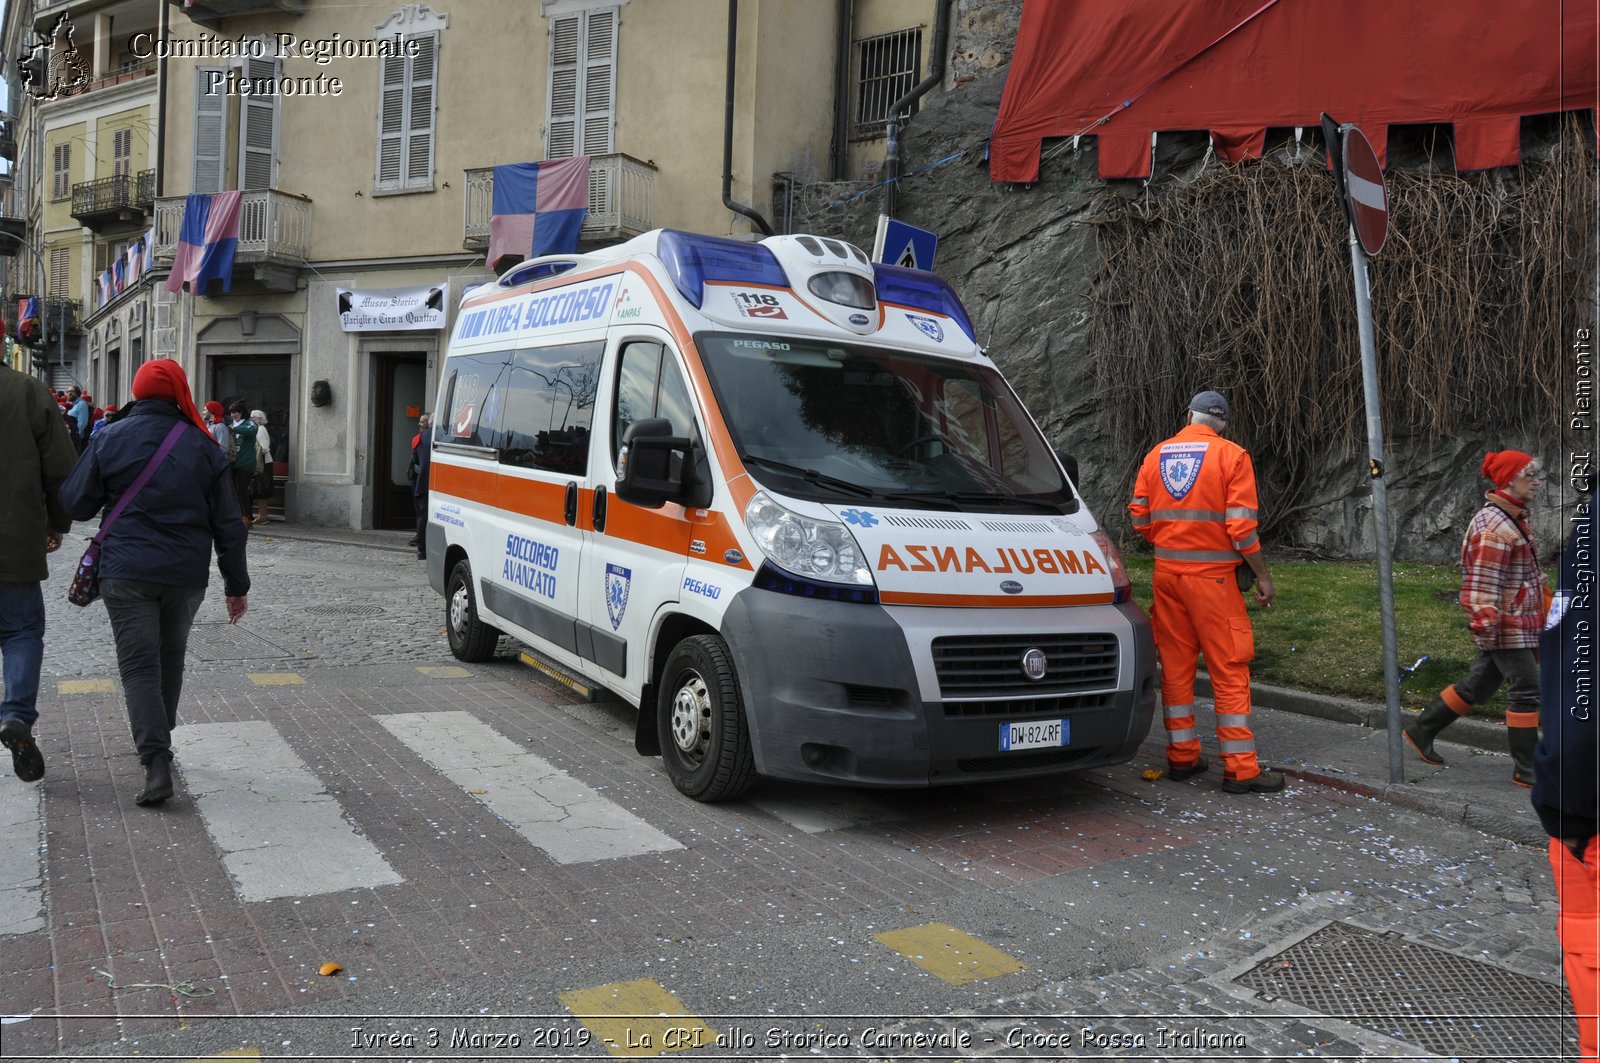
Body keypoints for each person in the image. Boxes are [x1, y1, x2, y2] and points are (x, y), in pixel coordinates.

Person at [59, 360, 250, 807]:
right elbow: (229, 524)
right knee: (170, 656)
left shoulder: (109, 436)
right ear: (178, 391)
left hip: (126, 570)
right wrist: (235, 584)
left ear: (138, 392)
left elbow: (76, 504)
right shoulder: (203, 446)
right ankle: (159, 742)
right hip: (185, 574)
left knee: (139, 667)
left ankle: (155, 758)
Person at [1129, 389, 1283, 793]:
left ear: (1190, 415)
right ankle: (1240, 769)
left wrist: (1174, 542)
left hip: (1168, 577)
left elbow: (1140, 518)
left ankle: (1182, 757)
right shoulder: (1233, 456)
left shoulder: (1155, 455)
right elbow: (1242, 529)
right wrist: (1262, 575)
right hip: (1213, 581)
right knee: (1229, 667)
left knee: (1176, 668)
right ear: (1223, 424)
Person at [1404, 450, 1545, 786]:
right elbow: (1481, 585)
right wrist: (1487, 626)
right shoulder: (1495, 527)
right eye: (1530, 475)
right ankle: (1527, 769)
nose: (1537, 482)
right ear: (1511, 479)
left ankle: (1421, 729)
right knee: (1527, 689)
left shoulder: (1511, 518)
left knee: (1478, 685)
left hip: (1513, 620)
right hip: (1504, 625)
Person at [1533, 492, 1598, 1059]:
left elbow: (1579, 681)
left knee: (1588, 945)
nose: (1535, 482)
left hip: (1586, 811)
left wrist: (1563, 803)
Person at [0, 360, 77, 783]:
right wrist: (58, 523)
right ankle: (15, 716)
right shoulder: (29, 392)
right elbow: (63, 470)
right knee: (20, 632)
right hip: (13, 541)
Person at [225, 401, 258, 528]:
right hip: (233, 462)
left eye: (235, 413)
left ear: (241, 413)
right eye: (231, 413)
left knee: (242, 490)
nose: (233, 415)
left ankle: (246, 517)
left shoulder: (249, 423)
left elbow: (252, 431)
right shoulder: (230, 423)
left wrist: (234, 429)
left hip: (246, 463)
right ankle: (236, 516)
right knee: (233, 491)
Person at [412, 412, 432, 559]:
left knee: (422, 515)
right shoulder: (433, 436)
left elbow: (416, 460)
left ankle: (421, 548)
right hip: (430, 482)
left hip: (422, 482)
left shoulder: (419, 438)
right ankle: (422, 547)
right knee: (424, 515)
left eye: (422, 421)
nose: (419, 424)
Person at [249, 410, 273, 525]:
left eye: (253, 417)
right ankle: (262, 516)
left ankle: (263, 516)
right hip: (262, 462)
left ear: (260, 419)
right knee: (259, 489)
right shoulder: (258, 429)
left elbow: (264, 448)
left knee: (261, 489)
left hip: (263, 462)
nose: (251, 419)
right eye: (251, 417)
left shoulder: (261, 429)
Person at [66, 386, 90, 451]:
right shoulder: (75, 405)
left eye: (71, 391)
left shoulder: (81, 404)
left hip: (76, 440)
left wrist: (75, 436)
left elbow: (82, 423)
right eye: (68, 392)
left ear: (77, 393)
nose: (69, 393)